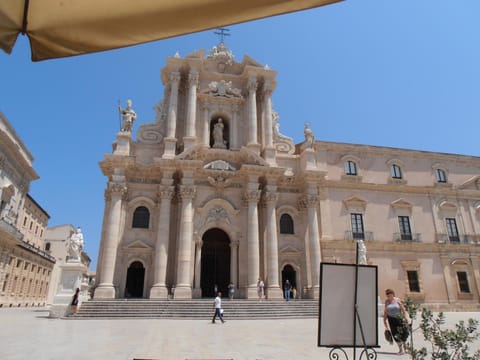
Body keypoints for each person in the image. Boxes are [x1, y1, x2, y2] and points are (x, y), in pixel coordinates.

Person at [383, 289, 409, 354]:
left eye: (390, 294)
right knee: (395, 334)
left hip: (399, 318)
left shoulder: (397, 300)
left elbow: (403, 309)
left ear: (393, 294)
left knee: (403, 333)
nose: (389, 296)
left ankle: (405, 348)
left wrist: (406, 317)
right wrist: (384, 320)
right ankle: (400, 350)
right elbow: (386, 311)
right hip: (391, 320)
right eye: (388, 295)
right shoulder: (387, 302)